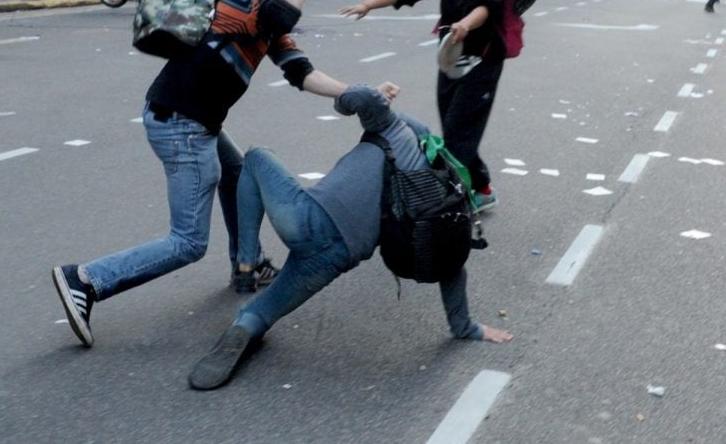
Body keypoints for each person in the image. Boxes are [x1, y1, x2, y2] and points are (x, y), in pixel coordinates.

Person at [52, 0, 398, 348]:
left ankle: (245, 264)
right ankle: (86, 280)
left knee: (236, 174)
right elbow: (280, 14)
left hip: (192, 119)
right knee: (188, 242)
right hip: (182, 123)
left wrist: (361, 95)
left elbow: (301, 71)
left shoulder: (264, 6)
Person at [188, 85, 513, 390]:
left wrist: (357, 94)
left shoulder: (394, 128)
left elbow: (361, 96)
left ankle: (247, 262)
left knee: (256, 157)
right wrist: (466, 326)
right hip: (336, 257)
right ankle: (247, 324)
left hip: (306, 221)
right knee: (259, 313)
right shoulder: (435, 188)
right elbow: (450, 257)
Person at [340, 0, 507, 212]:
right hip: (451, 60)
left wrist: (466, 24)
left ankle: (452, 202)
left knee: (457, 134)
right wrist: (367, 5)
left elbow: (487, 6)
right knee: (456, 128)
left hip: (482, 65)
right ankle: (482, 187)